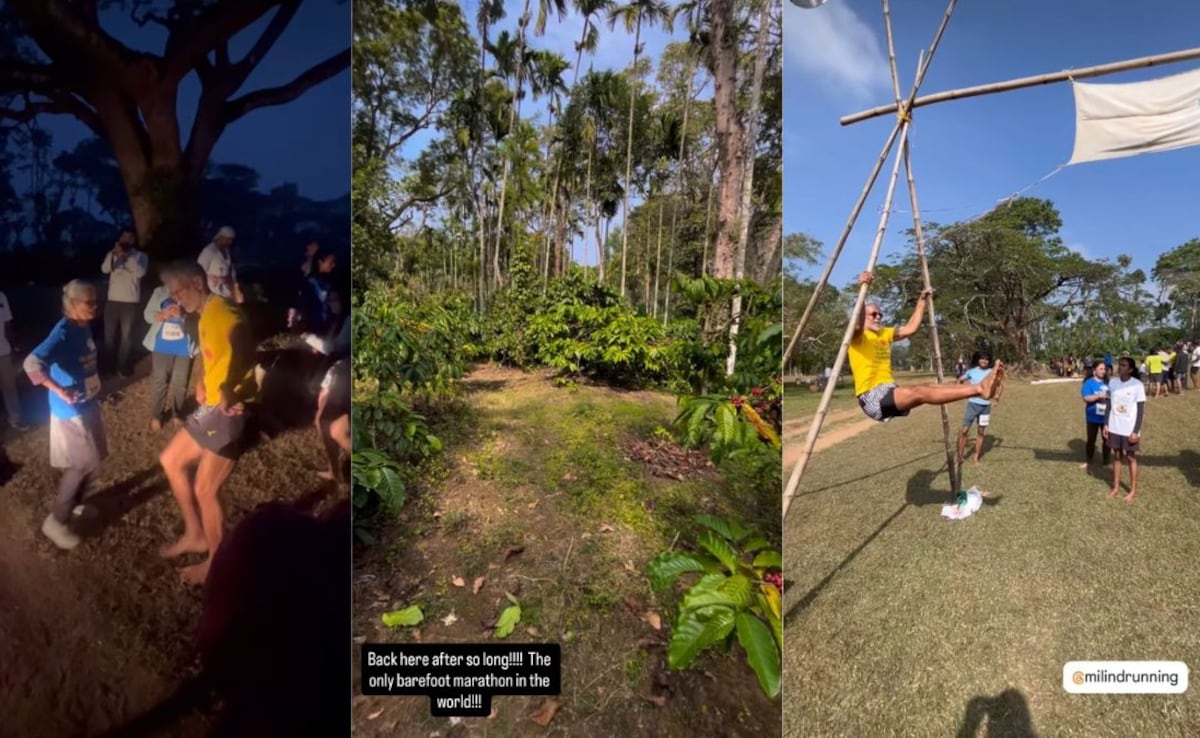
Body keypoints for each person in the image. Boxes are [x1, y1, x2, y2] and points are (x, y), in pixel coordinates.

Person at [157, 261, 257, 584]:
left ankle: (217, 562)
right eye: (172, 294)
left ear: (198, 283)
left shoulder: (224, 312)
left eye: (178, 292)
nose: (176, 299)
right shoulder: (204, 314)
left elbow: (243, 343)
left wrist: (228, 388)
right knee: (170, 461)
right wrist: (203, 379)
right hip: (211, 406)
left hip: (230, 411)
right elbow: (213, 351)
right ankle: (195, 533)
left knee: (205, 488)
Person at [849, 272, 1004, 423]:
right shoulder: (857, 336)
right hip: (871, 396)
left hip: (889, 389)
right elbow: (857, 324)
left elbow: (910, 328)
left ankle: (978, 389)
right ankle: (980, 389)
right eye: (873, 314)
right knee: (921, 391)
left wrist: (922, 300)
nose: (878, 317)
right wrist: (863, 289)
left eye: (880, 315)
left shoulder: (884, 333)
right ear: (863, 316)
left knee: (928, 387)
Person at [23, 280, 105, 550]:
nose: (95, 306)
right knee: (83, 463)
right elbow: (31, 364)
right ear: (72, 304)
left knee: (95, 457)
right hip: (70, 410)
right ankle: (56, 521)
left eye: (95, 301)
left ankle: (76, 504)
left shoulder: (83, 326)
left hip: (88, 402)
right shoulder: (62, 332)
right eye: (89, 302)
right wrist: (59, 390)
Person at [142, 275, 198, 431]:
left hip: (184, 346)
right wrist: (162, 315)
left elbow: (199, 315)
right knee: (160, 381)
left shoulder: (192, 292)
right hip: (162, 345)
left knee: (181, 383)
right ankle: (156, 415)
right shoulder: (160, 292)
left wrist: (184, 314)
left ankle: (177, 414)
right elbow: (147, 314)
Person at [100, 227, 148, 377]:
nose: (126, 240)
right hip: (112, 301)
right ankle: (108, 368)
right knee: (109, 337)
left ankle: (122, 366)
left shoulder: (140, 256)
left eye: (129, 238)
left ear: (134, 240)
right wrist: (114, 254)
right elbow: (104, 269)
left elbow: (140, 272)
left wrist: (128, 256)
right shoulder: (113, 254)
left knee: (126, 337)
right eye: (123, 237)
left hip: (130, 302)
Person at [1103, 356, 1145, 504]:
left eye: (1123, 365)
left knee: (1131, 457)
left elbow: (1140, 411)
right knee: (1117, 456)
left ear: (1131, 369)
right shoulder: (1113, 382)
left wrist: (1136, 431)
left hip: (1129, 429)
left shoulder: (1137, 385)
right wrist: (1106, 424)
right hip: (1114, 426)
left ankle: (1132, 491)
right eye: (1119, 364)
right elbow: (1108, 404)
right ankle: (1115, 487)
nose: (1119, 367)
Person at [314, 356, 350, 483]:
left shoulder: (339, 366)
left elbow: (325, 392)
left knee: (335, 430)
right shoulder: (340, 365)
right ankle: (335, 470)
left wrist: (320, 413)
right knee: (328, 426)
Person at [956, 351, 994, 466]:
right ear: (978, 360)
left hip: (985, 406)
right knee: (964, 431)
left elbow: (1000, 383)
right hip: (972, 405)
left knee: (981, 432)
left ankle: (976, 458)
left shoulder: (991, 372)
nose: (984, 361)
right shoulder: (972, 371)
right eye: (982, 358)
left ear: (989, 361)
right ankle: (960, 457)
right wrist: (960, 391)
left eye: (986, 359)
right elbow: (960, 380)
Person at [0, 287, 25, 430]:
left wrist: (14, 346)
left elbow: (7, 324)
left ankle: (15, 418)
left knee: (9, 387)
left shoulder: (1, 296)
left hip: (3, 350)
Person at [197, 226, 243, 304]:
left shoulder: (227, 251)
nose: (230, 242)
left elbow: (231, 269)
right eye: (228, 239)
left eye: (231, 240)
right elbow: (199, 270)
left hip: (226, 289)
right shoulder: (209, 251)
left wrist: (235, 285)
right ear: (221, 237)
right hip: (212, 289)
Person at [1079, 361, 1111, 470]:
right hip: (1092, 416)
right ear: (1094, 370)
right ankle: (1089, 461)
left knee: (1107, 439)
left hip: (1106, 417)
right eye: (1101, 369)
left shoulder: (1108, 383)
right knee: (1091, 439)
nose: (1103, 371)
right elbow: (1086, 398)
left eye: (1104, 369)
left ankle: (1106, 462)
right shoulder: (1088, 383)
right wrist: (1098, 396)